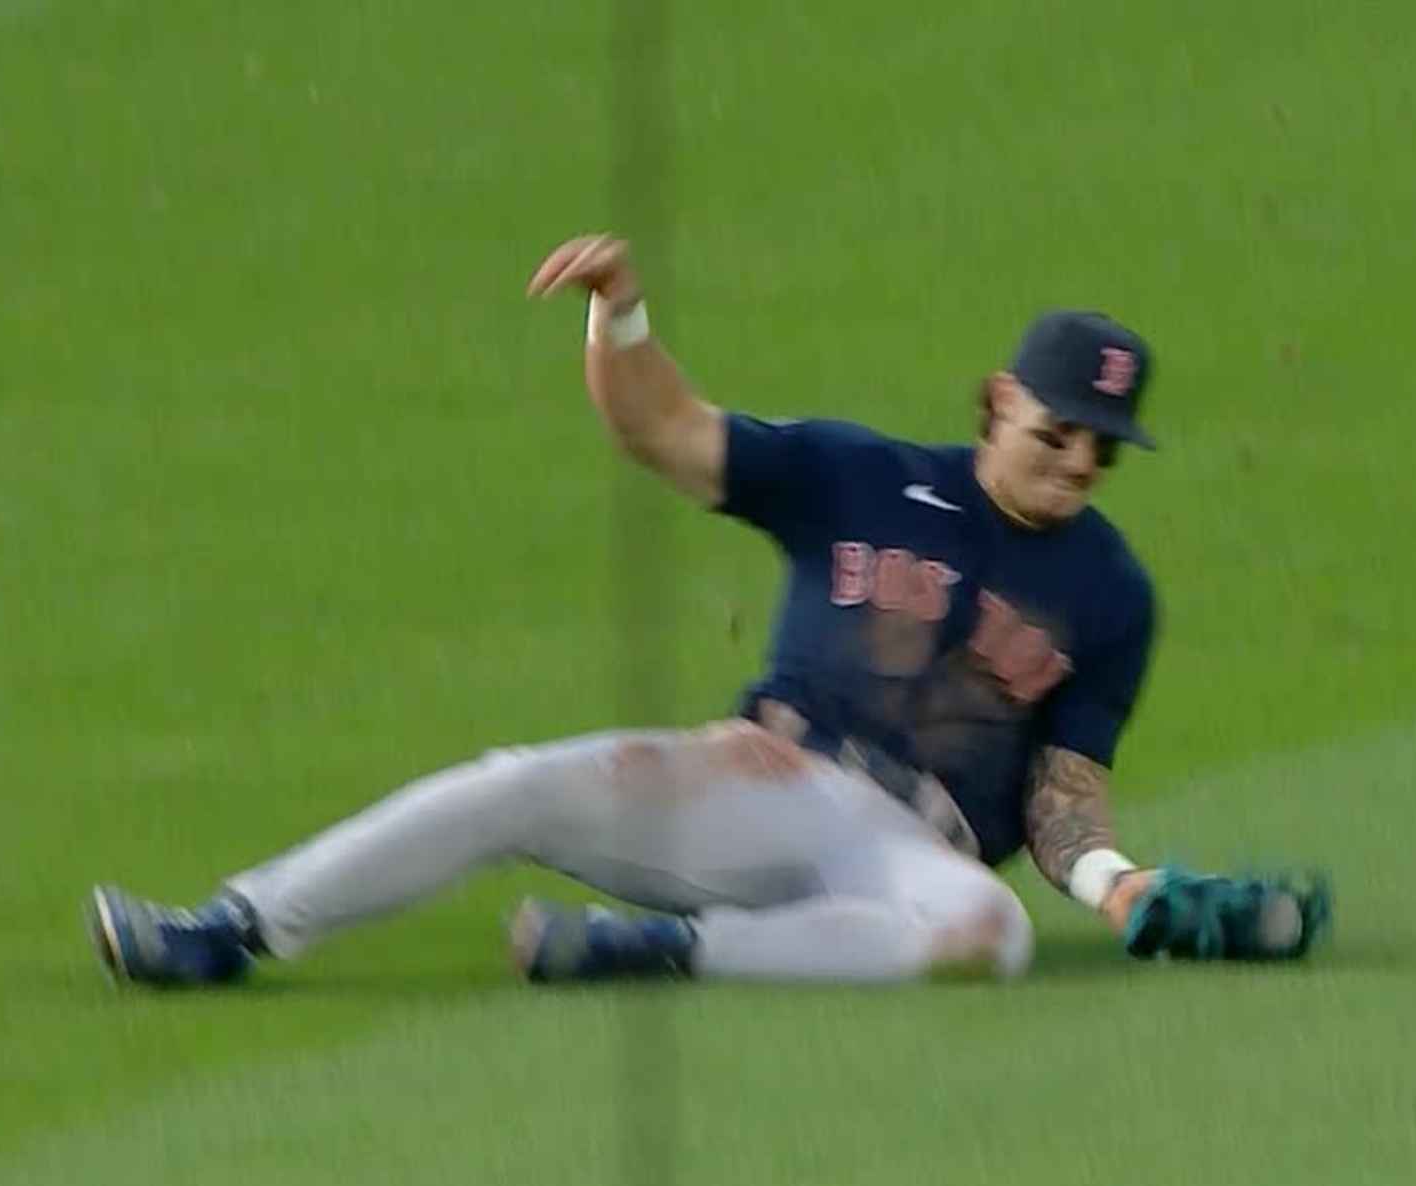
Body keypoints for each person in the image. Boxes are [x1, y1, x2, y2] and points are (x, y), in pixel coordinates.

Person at [88, 233, 1318, 989]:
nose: (1078, 467)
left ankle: (654, 955)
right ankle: (227, 928)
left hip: (910, 853)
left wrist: (1119, 889)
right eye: (1060, 433)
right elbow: (662, 429)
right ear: (999, 401)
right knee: (515, 784)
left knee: (987, 936)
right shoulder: (855, 473)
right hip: (758, 780)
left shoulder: (1113, 593)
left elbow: (1063, 801)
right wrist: (619, 312)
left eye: (1104, 451)